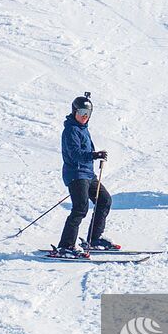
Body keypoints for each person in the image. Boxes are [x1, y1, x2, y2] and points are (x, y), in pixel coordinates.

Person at [50, 93, 119, 259]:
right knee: (80, 208)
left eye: (88, 113)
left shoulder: (83, 129)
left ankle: (93, 239)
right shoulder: (70, 130)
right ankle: (65, 246)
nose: (85, 116)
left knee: (104, 200)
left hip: (88, 174)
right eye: (81, 112)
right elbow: (75, 154)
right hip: (76, 174)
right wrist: (93, 155)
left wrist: (95, 156)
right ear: (74, 112)